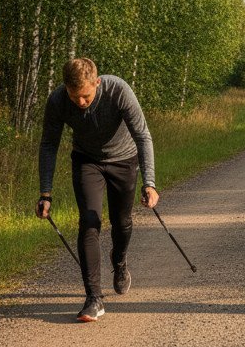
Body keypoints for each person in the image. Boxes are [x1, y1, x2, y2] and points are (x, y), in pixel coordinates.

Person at [36, 57, 159, 322]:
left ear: (97, 83)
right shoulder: (58, 100)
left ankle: (120, 262)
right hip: (87, 160)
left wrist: (149, 182)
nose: (80, 103)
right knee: (89, 222)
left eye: (86, 96)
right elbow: (49, 144)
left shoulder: (118, 90)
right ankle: (93, 298)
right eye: (74, 96)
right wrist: (45, 192)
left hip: (124, 160)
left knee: (122, 222)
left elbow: (142, 135)